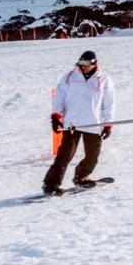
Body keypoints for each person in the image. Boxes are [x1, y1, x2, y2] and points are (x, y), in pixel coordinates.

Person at [43, 50, 116, 195]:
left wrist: (108, 124)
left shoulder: (104, 79)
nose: (83, 66)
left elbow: (109, 103)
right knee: (64, 155)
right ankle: (51, 185)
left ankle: (81, 176)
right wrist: (56, 117)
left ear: (94, 63)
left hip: (94, 123)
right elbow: (59, 98)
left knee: (93, 155)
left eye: (86, 63)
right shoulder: (69, 77)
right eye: (81, 63)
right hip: (72, 123)